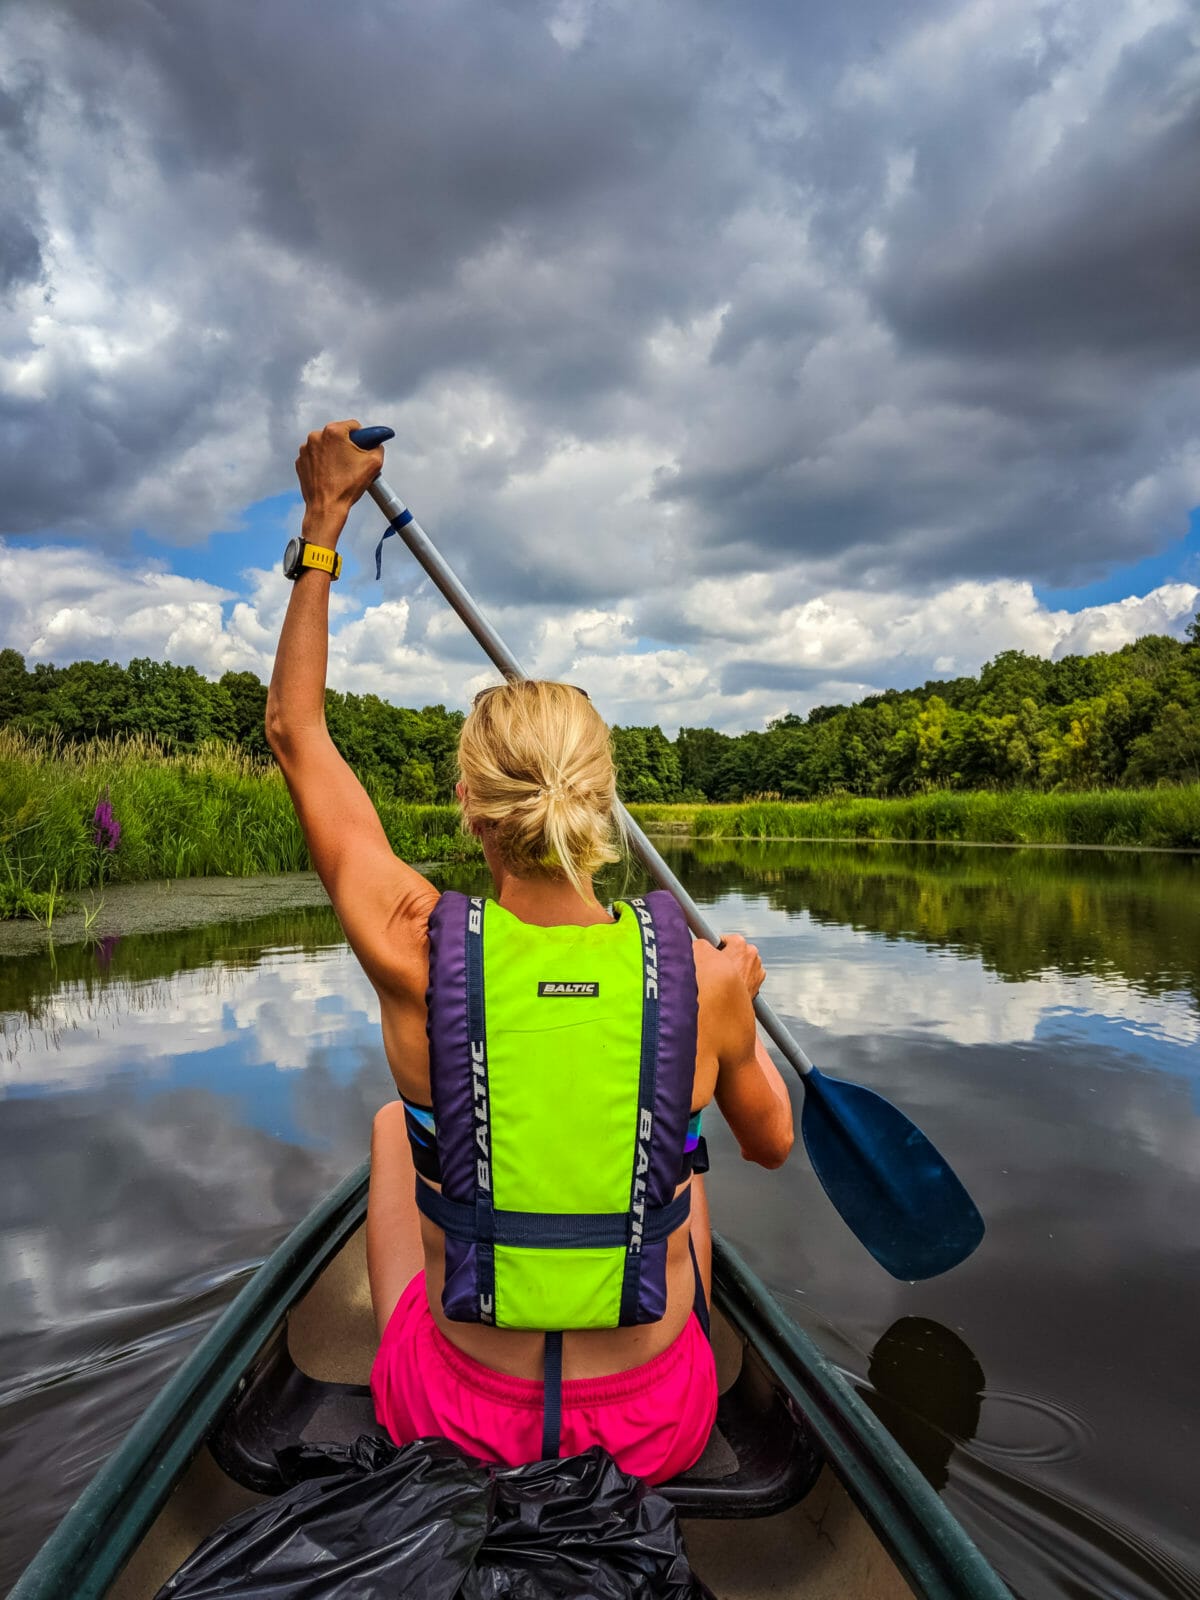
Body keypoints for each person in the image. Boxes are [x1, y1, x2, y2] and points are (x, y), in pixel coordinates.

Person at [266, 420, 795, 1484]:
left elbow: (295, 729)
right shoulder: (706, 978)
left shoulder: (412, 947)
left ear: (468, 804)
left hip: (453, 1417)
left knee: (390, 1125)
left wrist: (325, 520)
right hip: (653, 1427)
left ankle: (418, 1370)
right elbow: (775, 1144)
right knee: (680, 1158)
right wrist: (742, 993)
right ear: (606, 805)